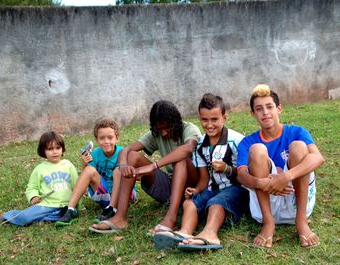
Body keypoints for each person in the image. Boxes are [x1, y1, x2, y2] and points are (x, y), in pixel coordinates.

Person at [89, 100, 202, 234]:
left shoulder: (189, 129)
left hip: (194, 187)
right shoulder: (157, 134)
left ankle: (170, 219)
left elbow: (188, 149)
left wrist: (154, 166)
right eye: (159, 129)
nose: (164, 133)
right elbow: (126, 150)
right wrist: (124, 165)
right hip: (170, 187)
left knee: (181, 159)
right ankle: (120, 218)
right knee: (132, 156)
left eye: (167, 128)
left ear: (176, 121)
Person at [153, 93, 249, 251]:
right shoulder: (200, 145)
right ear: (199, 118)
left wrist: (226, 168)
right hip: (212, 189)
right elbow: (204, 177)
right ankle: (185, 233)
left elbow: (246, 174)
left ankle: (210, 234)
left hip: (236, 189)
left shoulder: (237, 141)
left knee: (215, 203)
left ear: (224, 117)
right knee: (189, 203)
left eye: (214, 119)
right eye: (205, 120)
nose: (209, 125)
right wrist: (196, 189)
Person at [236, 84, 325, 248]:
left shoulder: (297, 131)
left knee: (299, 146)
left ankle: (301, 222)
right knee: (257, 150)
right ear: (253, 114)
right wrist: (261, 183)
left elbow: (318, 158)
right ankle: (269, 224)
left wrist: (285, 177)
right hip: (266, 201)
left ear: (279, 109)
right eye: (259, 109)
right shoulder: (247, 142)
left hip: (295, 198)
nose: (265, 112)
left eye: (269, 107)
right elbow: (241, 175)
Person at [56, 119, 137, 226]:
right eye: (102, 138)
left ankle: (112, 209)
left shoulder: (123, 153)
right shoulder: (95, 154)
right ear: (97, 140)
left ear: (117, 138)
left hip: (124, 197)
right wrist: (84, 163)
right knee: (89, 169)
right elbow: (87, 175)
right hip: (105, 195)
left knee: (118, 171)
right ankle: (71, 210)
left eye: (110, 137)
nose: (106, 141)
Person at [0, 131, 78, 226]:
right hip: (47, 205)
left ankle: (52, 217)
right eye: (50, 149)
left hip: (67, 205)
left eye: (58, 148)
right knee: (26, 217)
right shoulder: (39, 169)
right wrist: (33, 197)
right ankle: (8, 215)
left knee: (68, 214)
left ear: (63, 149)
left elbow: (77, 186)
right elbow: (32, 187)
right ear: (43, 151)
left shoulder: (68, 165)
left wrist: (79, 205)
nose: (55, 152)